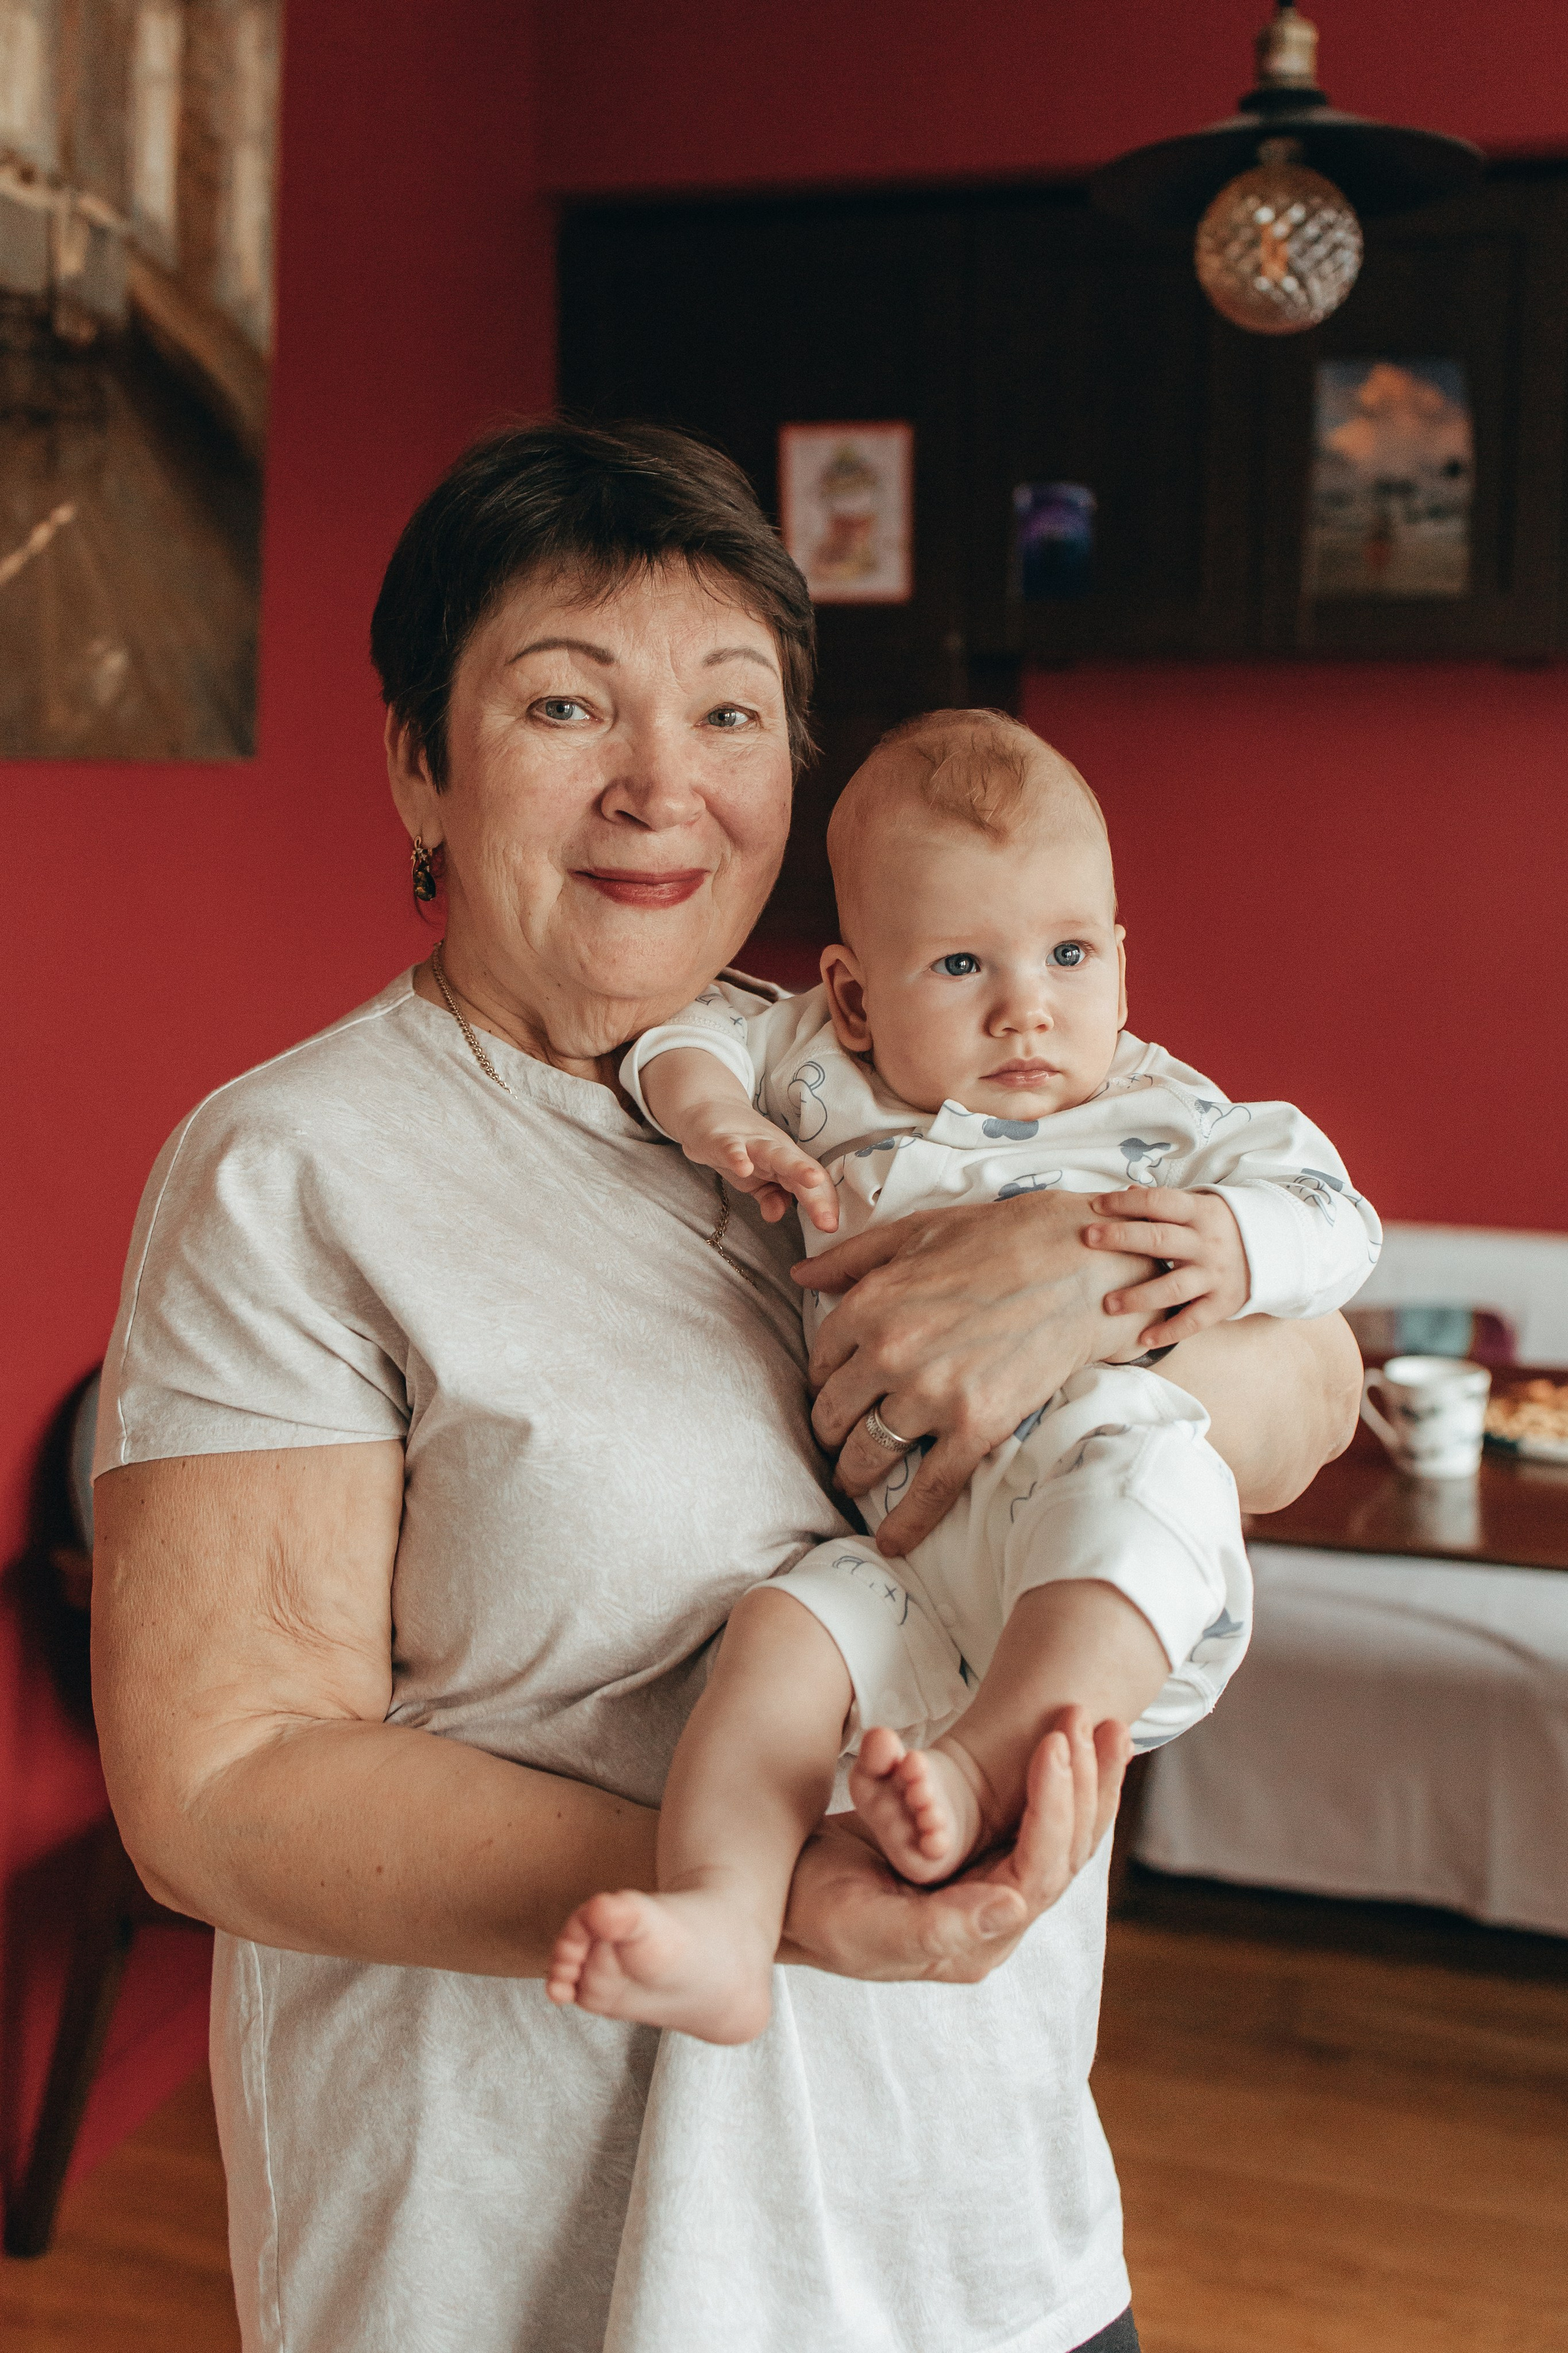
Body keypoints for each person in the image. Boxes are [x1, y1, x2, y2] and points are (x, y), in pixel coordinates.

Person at [90, 419, 1361, 2353]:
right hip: (545, 2276)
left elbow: (1312, 1384)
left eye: (735, 711)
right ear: (421, 763)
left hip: (985, 2237)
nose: (663, 786)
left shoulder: (901, 1060)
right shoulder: (297, 1173)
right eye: (565, 703)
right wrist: (768, 1886)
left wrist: (1082, 1297)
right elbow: (217, 1788)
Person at [548, 709, 1380, 2045]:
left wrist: (1230, 1243)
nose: (1025, 1007)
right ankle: (717, 1913)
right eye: (957, 962)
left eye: (1066, 954)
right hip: (902, 1554)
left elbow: (1334, 1219)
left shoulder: (1169, 1111)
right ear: (858, 992)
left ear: (1119, 959)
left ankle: (986, 1767)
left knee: (1146, 1454)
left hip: (1087, 1550)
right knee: (779, 1636)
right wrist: (718, 1114)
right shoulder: (821, 1068)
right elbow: (685, 1032)